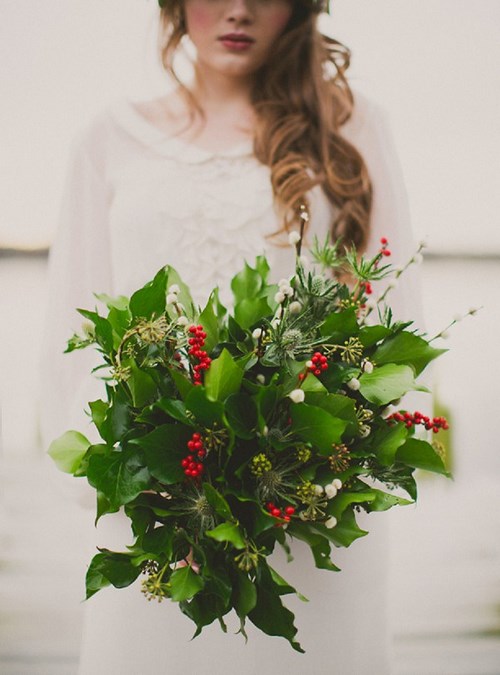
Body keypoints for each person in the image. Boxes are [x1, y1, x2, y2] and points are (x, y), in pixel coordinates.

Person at [40, 0, 422, 672]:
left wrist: (305, 472)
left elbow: (391, 323)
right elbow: (72, 337)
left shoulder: (352, 127)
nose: (240, 9)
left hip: (306, 519)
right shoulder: (108, 138)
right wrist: (133, 487)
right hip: (152, 512)